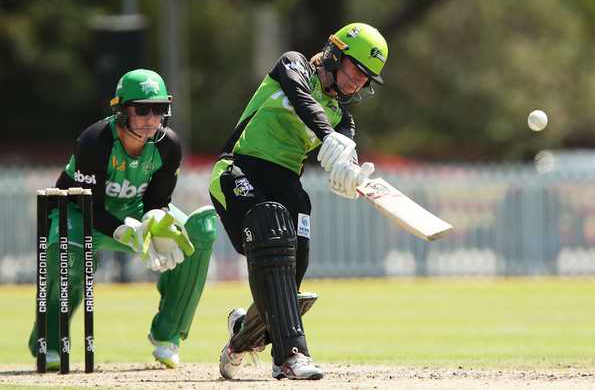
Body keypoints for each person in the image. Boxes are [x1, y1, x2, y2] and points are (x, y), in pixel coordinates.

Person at [209, 22, 388, 380]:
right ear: (336, 54)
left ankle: (242, 335)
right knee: (271, 231)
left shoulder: (343, 119)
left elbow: (342, 157)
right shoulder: (293, 65)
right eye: (356, 69)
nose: (358, 82)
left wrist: (348, 175)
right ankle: (290, 355)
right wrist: (327, 136)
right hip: (238, 171)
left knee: (291, 267)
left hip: (287, 184)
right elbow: (301, 97)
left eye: (367, 78)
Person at [28, 69, 218, 370]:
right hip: (79, 211)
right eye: (142, 109)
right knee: (69, 251)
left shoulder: (169, 146)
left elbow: (157, 201)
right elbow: (86, 202)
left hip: (133, 213)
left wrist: (156, 218)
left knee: (199, 233)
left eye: (159, 109)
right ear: (121, 110)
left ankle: (167, 336)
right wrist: (121, 231)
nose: (151, 118)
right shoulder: (95, 141)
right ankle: (50, 340)